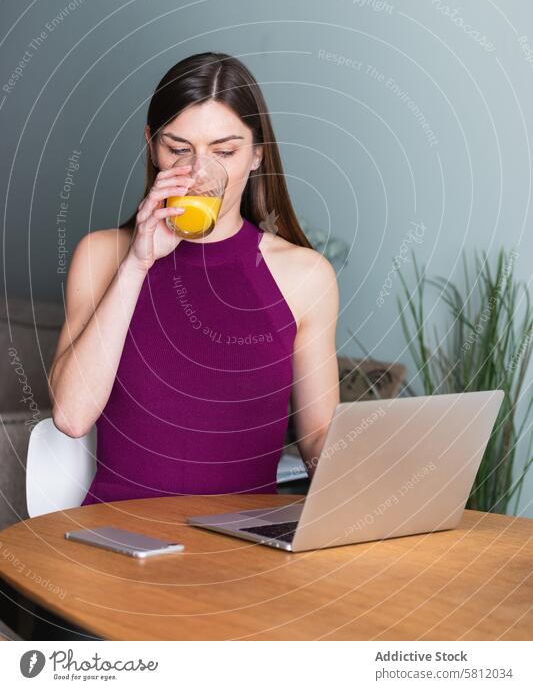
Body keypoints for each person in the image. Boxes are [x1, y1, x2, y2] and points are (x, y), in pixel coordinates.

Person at [47, 52, 340, 504]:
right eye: (179, 149)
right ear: (152, 145)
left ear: (258, 154)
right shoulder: (103, 256)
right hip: (117, 539)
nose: (199, 173)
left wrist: (371, 475)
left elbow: (319, 439)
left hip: (241, 552)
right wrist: (137, 264)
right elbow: (70, 416)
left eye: (224, 151)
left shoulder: (306, 276)